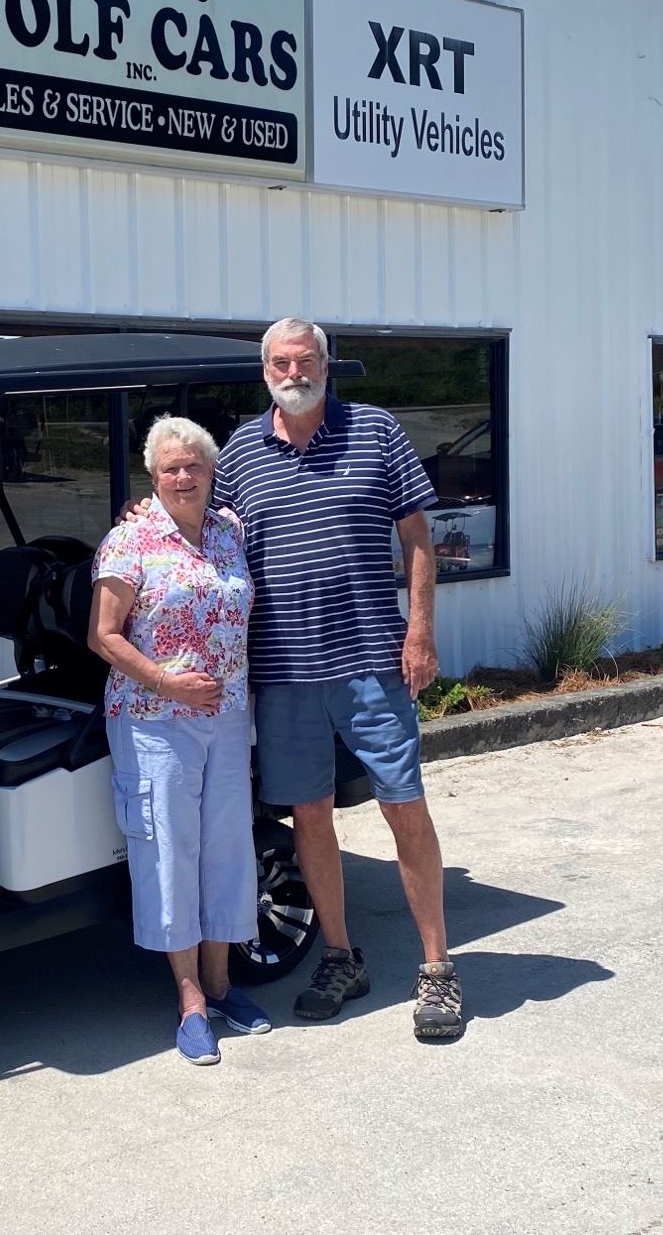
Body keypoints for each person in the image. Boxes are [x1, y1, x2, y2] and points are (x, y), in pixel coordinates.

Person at [213, 316, 463, 1041]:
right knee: (311, 817)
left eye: (307, 360)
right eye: (282, 364)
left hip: (369, 664)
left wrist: (419, 632)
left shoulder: (376, 431)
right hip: (284, 674)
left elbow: (418, 539)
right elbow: (201, 529)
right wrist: (145, 514)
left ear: (325, 364)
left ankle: (438, 969)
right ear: (266, 373)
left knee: (402, 805)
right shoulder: (237, 453)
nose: (295, 373)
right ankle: (341, 956)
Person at [89, 415, 269, 1064]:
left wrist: (208, 693)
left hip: (224, 718)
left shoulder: (230, 533)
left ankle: (222, 986)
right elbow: (103, 636)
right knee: (169, 851)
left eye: (193, 465)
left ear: (210, 469)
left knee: (226, 848)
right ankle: (190, 1001)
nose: (184, 476)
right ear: (153, 476)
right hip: (154, 719)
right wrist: (169, 684)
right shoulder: (129, 540)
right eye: (171, 468)